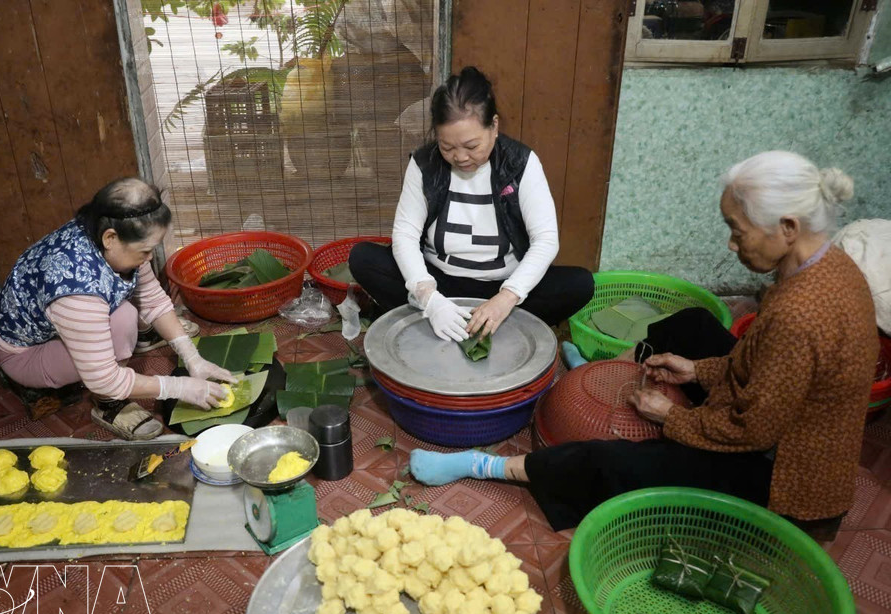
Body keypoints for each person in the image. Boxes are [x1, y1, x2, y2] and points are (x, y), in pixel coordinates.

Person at [410, 151, 878, 537]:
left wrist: (670, 416)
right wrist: (698, 372)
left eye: (738, 232)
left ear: (789, 227)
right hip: (771, 417)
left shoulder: (803, 315)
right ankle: (599, 371)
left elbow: (752, 431)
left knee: (612, 461)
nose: (732, 246)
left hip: (782, 477)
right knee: (692, 325)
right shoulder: (824, 263)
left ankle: (489, 467)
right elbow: (761, 367)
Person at [349, 66, 594, 341]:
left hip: (500, 286)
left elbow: (546, 239)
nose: (460, 157)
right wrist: (430, 297)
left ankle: (493, 318)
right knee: (363, 258)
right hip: (440, 281)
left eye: (471, 146)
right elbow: (405, 234)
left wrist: (506, 298)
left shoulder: (520, 163)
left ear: (494, 127)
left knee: (580, 283)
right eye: (448, 147)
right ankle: (439, 315)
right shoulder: (424, 163)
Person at [0, 178, 235, 440]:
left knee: (126, 315)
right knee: (122, 324)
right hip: (27, 356)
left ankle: (130, 341)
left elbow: (153, 299)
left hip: (63, 326)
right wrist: (178, 387)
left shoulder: (110, 230)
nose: (150, 258)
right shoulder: (76, 291)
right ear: (111, 239)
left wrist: (192, 358)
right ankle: (109, 405)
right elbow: (104, 379)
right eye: (145, 251)